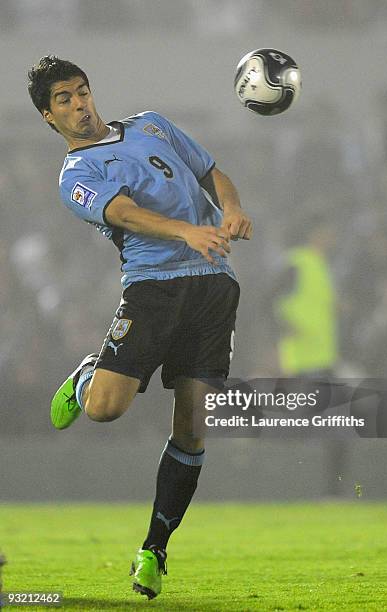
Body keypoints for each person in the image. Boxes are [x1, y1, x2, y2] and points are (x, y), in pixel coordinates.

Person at [27, 55, 252, 600]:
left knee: (193, 428)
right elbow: (124, 213)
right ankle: (88, 377)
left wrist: (232, 207)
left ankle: (154, 549)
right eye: (64, 99)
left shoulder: (152, 123)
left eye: (82, 91)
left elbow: (209, 169)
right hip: (152, 289)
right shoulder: (77, 176)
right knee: (106, 410)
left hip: (212, 287)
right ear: (47, 116)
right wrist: (185, 231)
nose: (79, 104)